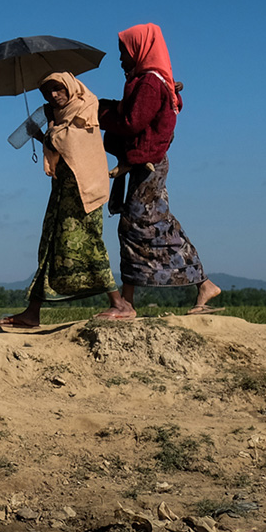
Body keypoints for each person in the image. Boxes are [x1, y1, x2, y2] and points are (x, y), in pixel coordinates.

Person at [94, 23, 221, 319]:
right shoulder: (148, 81)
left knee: (143, 224)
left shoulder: (149, 83)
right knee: (139, 225)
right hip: (145, 162)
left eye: (124, 52)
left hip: (147, 163)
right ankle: (132, 299)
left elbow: (132, 123)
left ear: (140, 50)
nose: (122, 59)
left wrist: (100, 112)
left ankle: (133, 301)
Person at [0, 73, 115, 330]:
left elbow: (70, 142)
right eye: (47, 91)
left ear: (70, 87)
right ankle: (32, 312)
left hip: (85, 192)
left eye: (57, 89)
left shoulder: (85, 108)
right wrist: (42, 134)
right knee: (50, 244)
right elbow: (58, 143)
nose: (52, 95)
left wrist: (47, 132)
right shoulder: (57, 117)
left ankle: (117, 302)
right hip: (62, 190)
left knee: (89, 243)